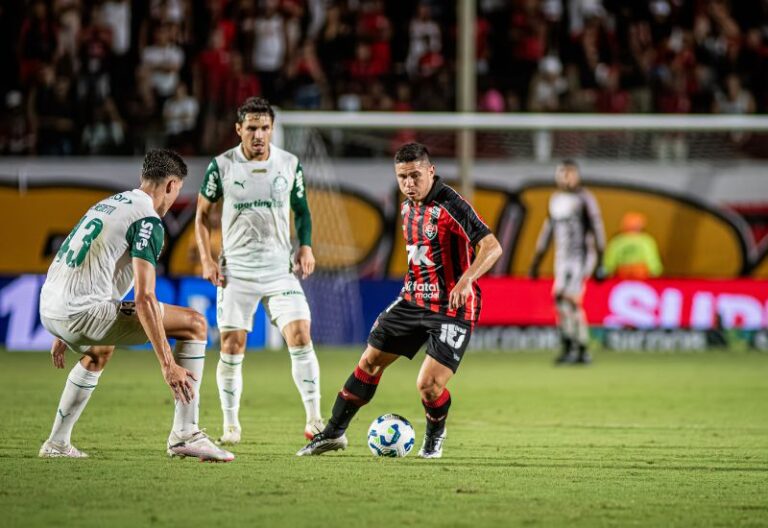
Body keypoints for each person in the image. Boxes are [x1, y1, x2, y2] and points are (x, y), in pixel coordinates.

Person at [297, 142, 502, 458]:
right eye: (402, 177)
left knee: (428, 386)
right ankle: (333, 433)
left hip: (452, 308)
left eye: (415, 175)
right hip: (412, 301)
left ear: (431, 171)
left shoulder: (452, 205)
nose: (409, 183)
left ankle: (434, 436)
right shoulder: (407, 207)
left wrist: (466, 279)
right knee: (369, 361)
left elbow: (492, 247)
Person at [38, 149, 234, 462]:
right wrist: (168, 364)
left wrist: (61, 329)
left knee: (100, 349)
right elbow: (144, 298)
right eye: (177, 190)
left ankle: (57, 443)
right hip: (79, 312)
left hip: (50, 306)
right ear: (171, 186)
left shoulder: (109, 204)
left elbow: (81, 261)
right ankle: (186, 432)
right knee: (195, 323)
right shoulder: (148, 221)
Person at [195, 96, 322, 446]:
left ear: (272, 129)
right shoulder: (221, 166)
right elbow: (202, 216)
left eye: (264, 127)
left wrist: (306, 245)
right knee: (232, 345)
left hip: (280, 270)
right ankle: (231, 425)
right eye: (251, 127)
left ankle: (315, 419)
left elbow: (302, 210)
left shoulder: (289, 163)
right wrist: (207, 260)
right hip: (236, 271)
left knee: (300, 334)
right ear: (239, 130)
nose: (258, 134)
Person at [529, 160, 605, 365]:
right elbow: (547, 232)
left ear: (578, 175)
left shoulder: (585, 198)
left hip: (581, 257)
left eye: (570, 173)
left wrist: (600, 262)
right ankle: (571, 345)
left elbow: (597, 230)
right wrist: (536, 261)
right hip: (562, 259)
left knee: (571, 298)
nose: (567, 177)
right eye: (563, 173)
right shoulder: (555, 199)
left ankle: (580, 347)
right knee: (559, 298)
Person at [604, 212, 663, 279]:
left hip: (642, 281)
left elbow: (655, 266)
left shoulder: (647, 241)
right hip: (621, 280)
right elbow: (608, 266)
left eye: (635, 223)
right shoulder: (616, 242)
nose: (632, 226)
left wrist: (642, 269)